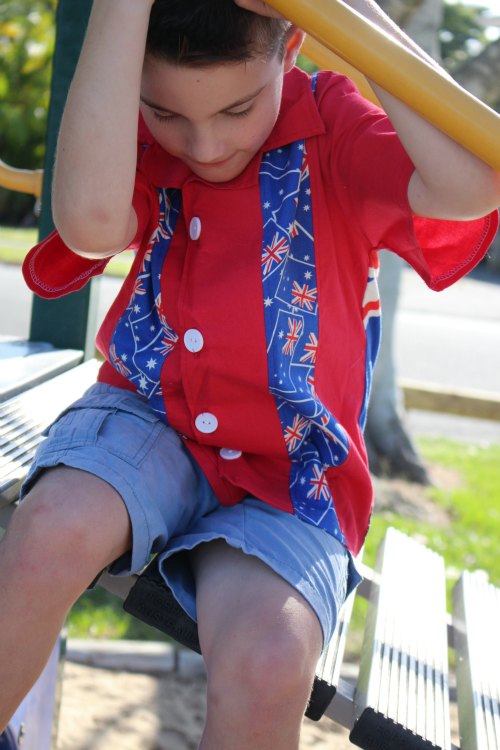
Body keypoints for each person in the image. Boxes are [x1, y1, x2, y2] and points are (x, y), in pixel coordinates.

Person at [1, 0, 499, 747]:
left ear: (294, 45)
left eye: (238, 108)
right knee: (50, 529)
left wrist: (349, 16)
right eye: (165, 113)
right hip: (152, 413)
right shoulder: (129, 128)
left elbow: (470, 186)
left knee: (269, 658)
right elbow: (91, 222)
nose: (204, 145)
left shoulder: (332, 122)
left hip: (296, 467)